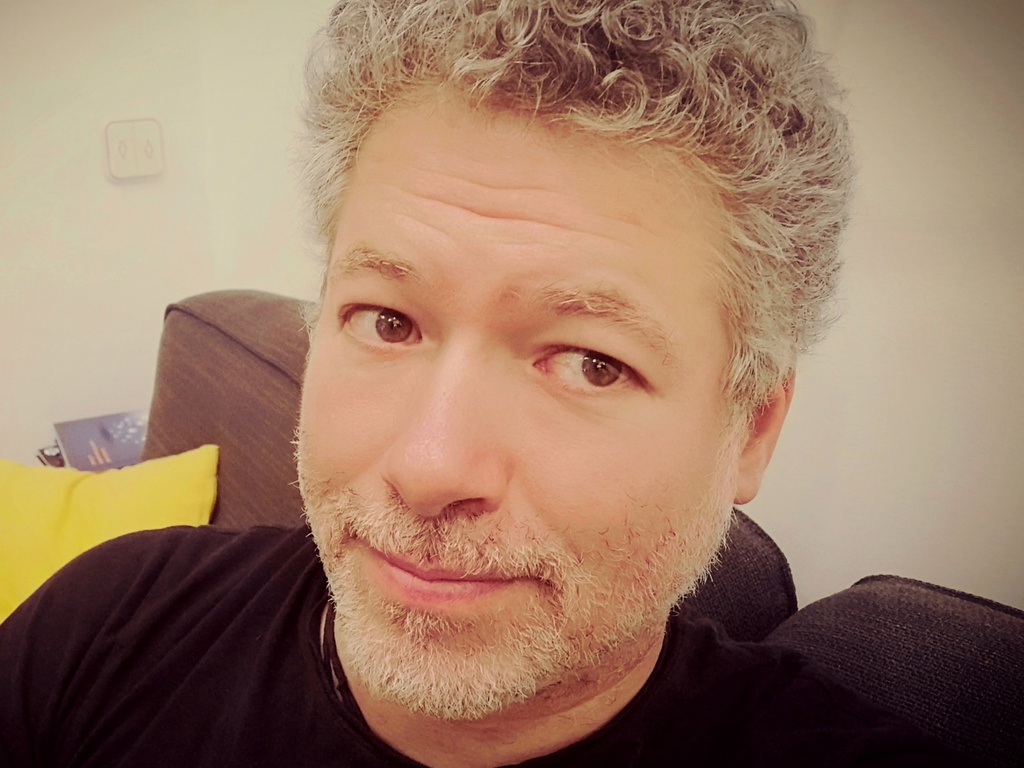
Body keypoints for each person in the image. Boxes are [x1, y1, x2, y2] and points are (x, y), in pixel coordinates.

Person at [0, 1, 962, 766]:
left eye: (590, 362)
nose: (427, 467)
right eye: (389, 320)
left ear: (751, 427)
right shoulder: (106, 622)